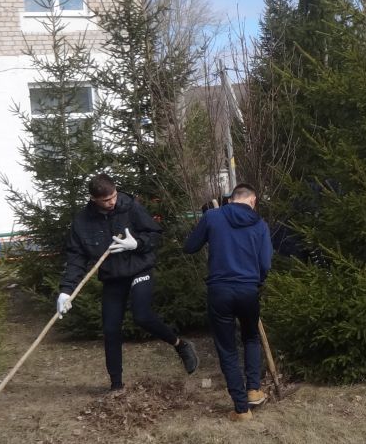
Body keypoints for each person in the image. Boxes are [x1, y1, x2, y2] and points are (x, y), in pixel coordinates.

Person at [57, 174, 198, 393]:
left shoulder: (130, 207)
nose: (112, 202)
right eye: (106, 200)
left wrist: (137, 244)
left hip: (139, 269)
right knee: (111, 328)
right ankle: (116, 386)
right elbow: (76, 258)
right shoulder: (82, 223)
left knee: (142, 315)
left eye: (114, 196)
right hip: (113, 277)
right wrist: (66, 291)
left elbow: (155, 234)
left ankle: (180, 344)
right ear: (94, 199)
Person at [184, 182, 273, 422]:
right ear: (253, 201)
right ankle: (253, 389)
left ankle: (241, 409)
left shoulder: (213, 217)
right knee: (251, 338)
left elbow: (190, 247)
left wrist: (208, 226)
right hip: (248, 290)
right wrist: (256, 281)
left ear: (231, 199)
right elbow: (265, 263)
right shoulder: (260, 225)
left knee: (227, 348)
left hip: (220, 291)